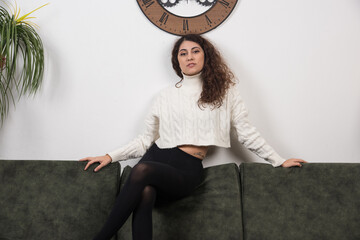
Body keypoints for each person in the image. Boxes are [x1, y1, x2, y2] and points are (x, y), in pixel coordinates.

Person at [80, 34, 307, 240]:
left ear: (205, 56)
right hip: (157, 156)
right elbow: (144, 140)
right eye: (183, 53)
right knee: (146, 191)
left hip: (186, 168)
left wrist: (278, 159)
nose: (189, 56)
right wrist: (111, 156)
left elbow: (246, 133)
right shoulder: (166, 96)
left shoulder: (225, 92)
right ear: (176, 62)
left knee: (142, 170)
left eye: (195, 51)